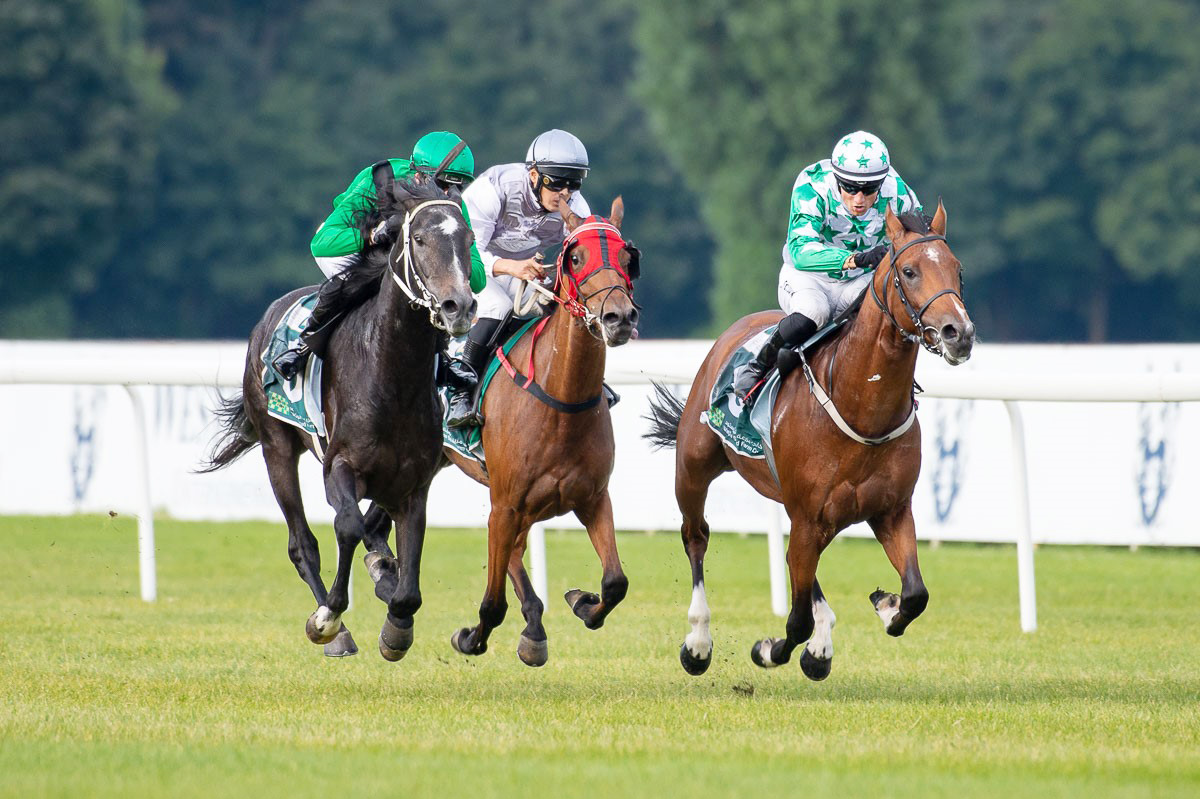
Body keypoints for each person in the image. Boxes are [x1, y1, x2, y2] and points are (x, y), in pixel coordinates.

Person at [273, 131, 486, 380]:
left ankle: (443, 359)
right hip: (352, 243)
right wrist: (374, 235)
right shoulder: (379, 179)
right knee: (353, 280)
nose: (448, 193)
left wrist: (454, 260)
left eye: (457, 186)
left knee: (434, 288)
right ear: (418, 174)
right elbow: (322, 243)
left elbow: (479, 279)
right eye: (441, 185)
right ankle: (304, 347)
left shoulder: (452, 205)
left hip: (402, 255)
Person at [731, 130, 922, 402]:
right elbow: (800, 252)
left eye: (869, 190)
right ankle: (756, 367)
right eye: (850, 188)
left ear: (881, 182)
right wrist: (856, 258)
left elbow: (920, 237)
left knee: (887, 310)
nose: (859, 199)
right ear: (836, 179)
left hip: (858, 281)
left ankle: (898, 384)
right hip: (809, 277)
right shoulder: (813, 185)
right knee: (814, 311)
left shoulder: (897, 190)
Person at [443, 129, 592, 428]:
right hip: (460, 265)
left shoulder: (576, 208)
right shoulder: (494, 189)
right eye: (557, 182)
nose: (565, 193)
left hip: (513, 267)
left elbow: (581, 263)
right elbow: (465, 254)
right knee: (497, 305)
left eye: (573, 183)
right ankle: (460, 392)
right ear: (534, 175)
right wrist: (512, 266)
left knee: (551, 305)